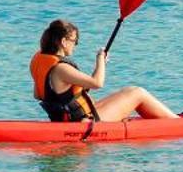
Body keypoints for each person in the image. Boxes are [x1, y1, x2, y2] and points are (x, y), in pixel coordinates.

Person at [30, 19, 175, 123]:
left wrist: (71, 92)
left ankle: (163, 120)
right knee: (137, 93)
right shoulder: (61, 68)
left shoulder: (39, 60)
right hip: (83, 121)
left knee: (128, 91)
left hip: (68, 118)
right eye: (75, 41)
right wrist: (100, 60)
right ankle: (178, 124)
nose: (75, 45)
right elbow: (97, 83)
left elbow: (38, 95)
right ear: (63, 42)